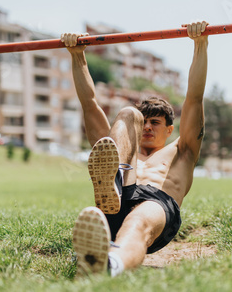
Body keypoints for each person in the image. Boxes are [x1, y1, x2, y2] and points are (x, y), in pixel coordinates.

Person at [61, 20, 209, 277]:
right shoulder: (121, 146)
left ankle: (110, 264)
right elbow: (90, 103)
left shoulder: (182, 150)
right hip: (115, 198)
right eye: (145, 123)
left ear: (170, 129)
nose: (148, 128)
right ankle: (113, 184)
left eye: (156, 122)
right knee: (127, 113)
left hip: (157, 204)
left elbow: (194, 98)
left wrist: (200, 44)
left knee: (137, 222)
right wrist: (77, 55)